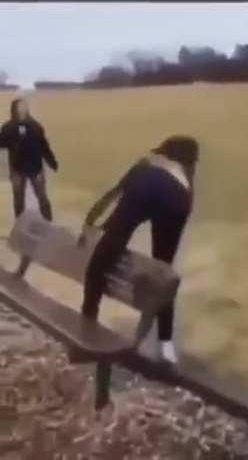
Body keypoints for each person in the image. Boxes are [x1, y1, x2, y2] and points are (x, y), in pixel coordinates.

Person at [78, 135, 199, 364]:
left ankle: (86, 330)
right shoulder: (184, 174)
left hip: (144, 185)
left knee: (103, 259)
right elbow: (188, 192)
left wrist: (91, 221)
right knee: (163, 270)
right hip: (176, 200)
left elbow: (111, 196)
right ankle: (165, 345)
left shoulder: (144, 165)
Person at [0, 98, 58, 276]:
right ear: (15, 110)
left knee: (42, 197)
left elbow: (44, 146)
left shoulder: (35, 126)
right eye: (20, 107)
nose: (23, 109)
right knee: (18, 201)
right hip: (18, 169)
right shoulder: (8, 127)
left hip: (35, 169)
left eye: (25, 106)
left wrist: (52, 161)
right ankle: (20, 226)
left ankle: (49, 223)